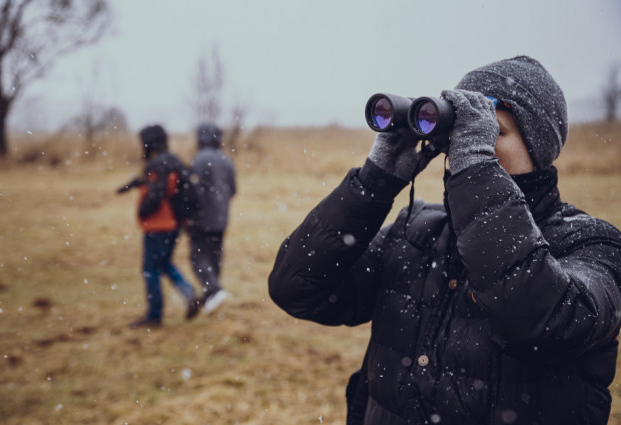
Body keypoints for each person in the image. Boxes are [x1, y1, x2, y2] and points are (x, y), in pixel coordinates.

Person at [268, 56, 621, 424]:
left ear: (538, 148)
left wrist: (476, 170)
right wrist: (375, 182)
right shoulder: (414, 232)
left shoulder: (594, 245)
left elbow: (535, 326)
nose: (466, 142)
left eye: (492, 130)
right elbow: (296, 289)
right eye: (462, 129)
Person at [119, 124, 199, 328]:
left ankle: (154, 315)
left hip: (158, 225)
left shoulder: (156, 165)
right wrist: (135, 184)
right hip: (175, 224)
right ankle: (189, 293)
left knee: (150, 269)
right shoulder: (174, 160)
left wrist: (142, 210)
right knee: (163, 263)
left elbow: (156, 193)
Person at [187, 122, 236, 314]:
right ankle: (212, 295)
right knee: (215, 255)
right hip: (221, 217)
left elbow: (194, 191)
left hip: (202, 218)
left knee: (197, 257)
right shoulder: (226, 160)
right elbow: (233, 190)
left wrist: (192, 212)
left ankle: (214, 290)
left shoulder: (199, 159)